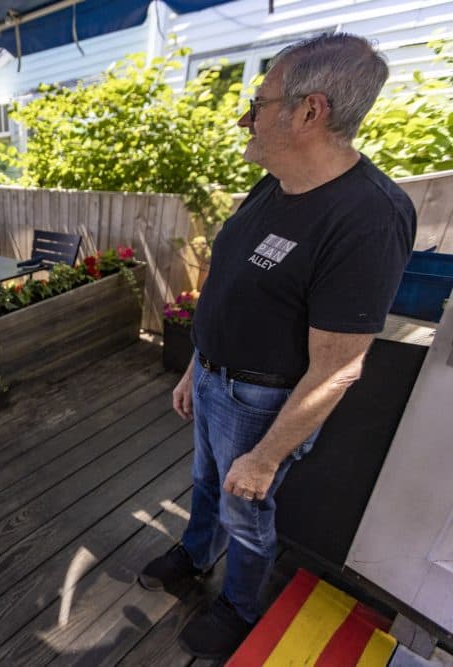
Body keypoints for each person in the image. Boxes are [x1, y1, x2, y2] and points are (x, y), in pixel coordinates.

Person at [138, 33, 416, 660]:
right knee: (205, 482)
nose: (245, 116)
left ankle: (238, 607)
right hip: (213, 378)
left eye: (259, 102)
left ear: (310, 111)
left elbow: (338, 369)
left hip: (262, 402)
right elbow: (230, 277)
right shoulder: (275, 182)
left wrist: (264, 458)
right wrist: (195, 366)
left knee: (248, 511)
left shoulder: (369, 218)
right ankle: (195, 552)